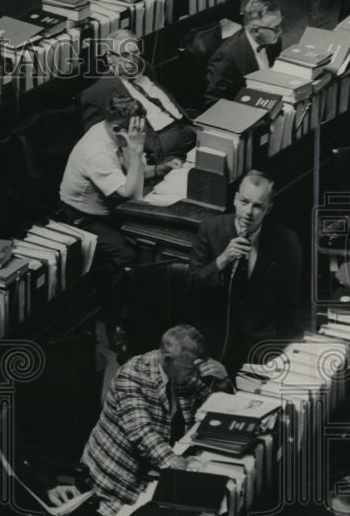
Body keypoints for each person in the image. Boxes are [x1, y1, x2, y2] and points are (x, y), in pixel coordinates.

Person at [58, 96, 180, 360]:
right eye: (135, 131)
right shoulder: (97, 152)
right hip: (84, 218)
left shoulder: (117, 137)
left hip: (111, 210)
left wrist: (160, 169)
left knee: (155, 242)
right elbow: (132, 195)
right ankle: (118, 326)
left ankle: (146, 311)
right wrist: (135, 151)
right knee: (128, 257)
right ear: (117, 129)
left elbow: (133, 175)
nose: (140, 136)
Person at [81, 324, 233, 516]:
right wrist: (181, 465)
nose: (195, 376)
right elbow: (142, 433)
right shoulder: (132, 375)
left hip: (152, 473)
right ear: (168, 359)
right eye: (190, 370)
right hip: (115, 484)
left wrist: (222, 382)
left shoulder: (181, 371)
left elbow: (216, 409)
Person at [187, 170, 304, 372]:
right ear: (235, 199)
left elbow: (291, 303)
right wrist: (223, 259)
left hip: (263, 344)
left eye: (257, 206)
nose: (248, 212)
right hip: (215, 339)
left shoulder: (287, 241)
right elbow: (192, 284)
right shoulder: (210, 228)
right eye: (244, 201)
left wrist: (283, 347)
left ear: (269, 209)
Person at [81, 29, 196, 161]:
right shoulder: (98, 92)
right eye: (124, 55)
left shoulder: (145, 68)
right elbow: (96, 139)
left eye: (135, 53)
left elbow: (165, 97)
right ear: (109, 57)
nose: (131, 61)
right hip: (161, 148)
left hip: (188, 127)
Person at [203, 0, 283, 107]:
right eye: (275, 28)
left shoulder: (273, 40)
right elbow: (212, 102)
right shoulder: (227, 56)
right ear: (256, 31)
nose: (280, 31)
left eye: (280, 24)